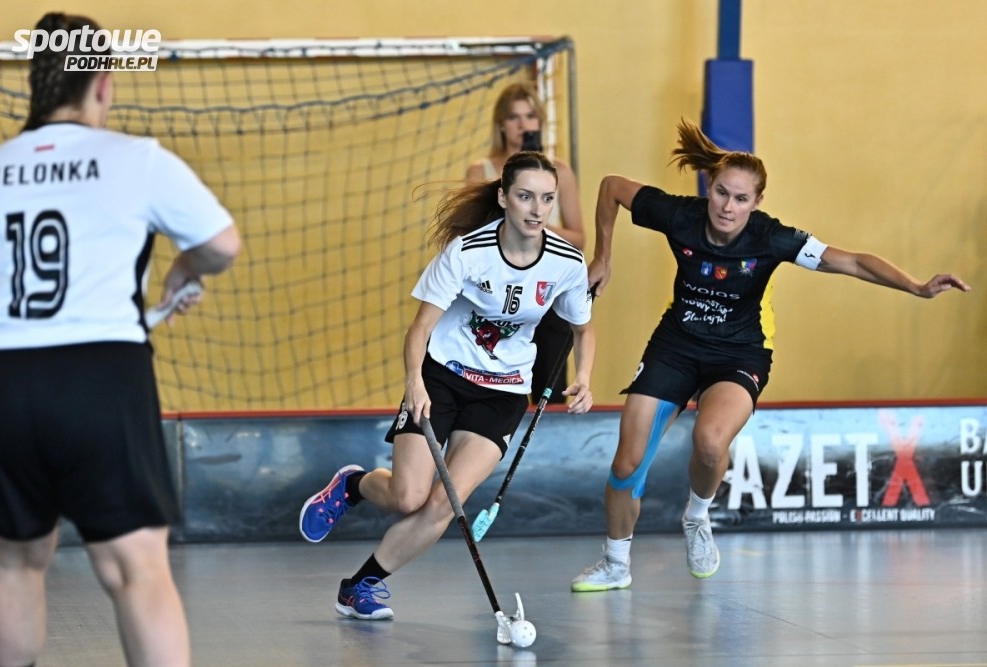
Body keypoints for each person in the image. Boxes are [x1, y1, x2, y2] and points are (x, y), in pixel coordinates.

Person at [570, 118, 971, 591]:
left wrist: (917, 287)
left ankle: (697, 516)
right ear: (709, 187)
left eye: (741, 199)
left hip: (740, 354)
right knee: (626, 463)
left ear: (757, 202)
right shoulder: (680, 215)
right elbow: (612, 187)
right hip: (676, 345)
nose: (728, 206)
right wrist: (603, 256)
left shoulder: (772, 238)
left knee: (710, 442)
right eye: (722, 193)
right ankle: (616, 564)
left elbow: (851, 261)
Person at [0, 12, 240, 667]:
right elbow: (221, 245)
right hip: (102, 375)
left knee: (11, 559)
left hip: (0, 380)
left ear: (38, 83)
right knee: (135, 567)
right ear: (101, 83)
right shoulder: (136, 159)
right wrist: (184, 269)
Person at [300, 151, 595, 620]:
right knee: (408, 497)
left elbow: (583, 328)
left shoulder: (566, 262)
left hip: (503, 393)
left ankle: (359, 586)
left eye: (546, 199)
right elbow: (419, 329)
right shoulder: (467, 252)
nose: (537, 209)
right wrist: (414, 383)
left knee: (443, 504)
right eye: (525, 196)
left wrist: (583, 376)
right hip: (442, 377)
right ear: (504, 198)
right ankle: (352, 485)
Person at [466, 82, 585, 404]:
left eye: (530, 116)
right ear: (501, 125)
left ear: (540, 122)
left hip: (546, 291)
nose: (523, 125)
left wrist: (535, 224)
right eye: (514, 117)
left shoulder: (560, 171)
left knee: (550, 385)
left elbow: (579, 238)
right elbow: (470, 237)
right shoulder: (482, 171)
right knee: (491, 383)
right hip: (495, 292)